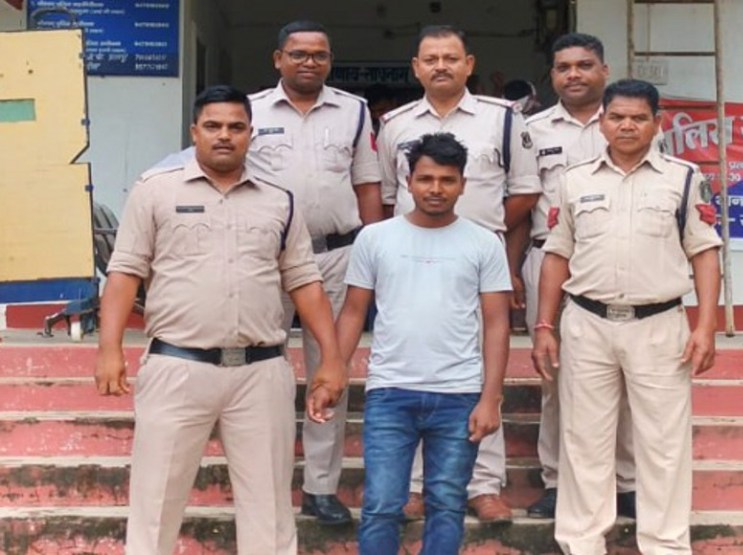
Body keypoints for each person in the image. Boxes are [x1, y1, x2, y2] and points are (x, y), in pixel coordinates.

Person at [94, 85, 347, 555]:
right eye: (213, 126)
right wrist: (109, 350)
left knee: (269, 509)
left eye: (236, 127)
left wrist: (332, 358)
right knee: (155, 503)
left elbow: (305, 282)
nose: (224, 135)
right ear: (195, 132)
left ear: (251, 134)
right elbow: (125, 272)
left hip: (260, 372)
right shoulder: (155, 190)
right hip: (177, 367)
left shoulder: (279, 199)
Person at [533, 78, 722, 555]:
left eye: (639, 118)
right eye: (617, 117)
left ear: (657, 123)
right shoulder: (574, 180)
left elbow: (704, 253)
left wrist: (705, 326)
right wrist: (544, 326)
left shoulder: (683, 178)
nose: (627, 126)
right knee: (583, 439)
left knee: (663, 443)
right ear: (602, 122)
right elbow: (557, 255)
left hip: (659, 325)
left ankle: (665, 544)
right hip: (587, 323)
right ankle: (581, 543)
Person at [378, 24, 540, 523]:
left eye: (451, 58)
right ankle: (415, 486)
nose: (441, 66)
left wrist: (480, 242)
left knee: (481, 367)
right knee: (415, 366)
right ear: (416, 68)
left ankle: (483, 485)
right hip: (410, 259)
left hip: (478, 260)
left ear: (469, 64)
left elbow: (525, 191)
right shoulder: (395, 125)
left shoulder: (503, 119)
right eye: (431, 59)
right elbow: (388, 196)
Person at [337, 132, 511, 554]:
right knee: (381, 505)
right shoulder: (375, 238)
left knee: (447, 504)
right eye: (426, 179)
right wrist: (333, 371)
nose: (436, 189)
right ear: (408, 181)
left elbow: (496, 324)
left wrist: (490, 398)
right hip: (390, 392)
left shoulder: (484, 242)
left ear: (463, 184)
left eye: (447, 180)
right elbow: (354, 311)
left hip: (459, 394)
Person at [247, 20, 382, 525]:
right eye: (298, 54)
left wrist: (374, 251)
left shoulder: (354, 111)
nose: (309, 62)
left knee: (331, 367)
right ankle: (266, 483)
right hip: (265, 257)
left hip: (336, 255)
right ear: (277, 59)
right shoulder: (250, 110)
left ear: (330, 61)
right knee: (262, 372)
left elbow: (367, 185)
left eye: (319, 55)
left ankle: (321, 487)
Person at [518, 32, 637, 520]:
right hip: (549, 260)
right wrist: (512, 271)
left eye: (584, 65)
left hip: (619, 263)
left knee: (624, 375)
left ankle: (625, 482)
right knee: (555, 377)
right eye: (563, 67)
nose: (574, 75)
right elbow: (522, 201)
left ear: (604, 70)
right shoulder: (531, 129)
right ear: (552, 75)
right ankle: (557, 480)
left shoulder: (630, 122)